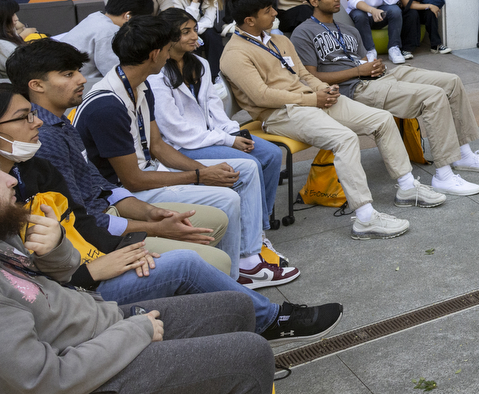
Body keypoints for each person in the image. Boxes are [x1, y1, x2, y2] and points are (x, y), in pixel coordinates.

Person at [0, 84, 342, 345]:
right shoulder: (91, 114)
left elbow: (84, 218)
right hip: (74, 292)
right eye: (24, 117)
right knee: (185, 262)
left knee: (220, 207)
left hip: (88, 263)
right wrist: (97, 267)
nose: (35, 123)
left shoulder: (34, 166)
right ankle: (269, 320)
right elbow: (28, 287)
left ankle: (238, 305)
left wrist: (131, 244)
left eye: (32, 114)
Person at [0, 164, 280, 394]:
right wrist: (135, 331)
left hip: (101, 321)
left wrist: (56, 248)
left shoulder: (7, 229)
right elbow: (41, 380)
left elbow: (58, 278)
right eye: (24, 117)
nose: (11, 179)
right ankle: (273, 322)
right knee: (251, 355)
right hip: (89, 369)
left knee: (235, 308)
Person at [72, 17, 285, 286]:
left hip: (147, 174)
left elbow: (158, 146)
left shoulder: (140, 84)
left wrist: (206, 171)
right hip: (122, 194)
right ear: (155, 54)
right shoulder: (108, 105)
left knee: (243, 168)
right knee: (227, 199)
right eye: (168, 45)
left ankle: (248, 257)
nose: (171, 50)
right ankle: (235, 276)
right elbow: (133, 180)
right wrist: (198, 176)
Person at [221, 0, 445, 241]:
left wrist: (322, 89)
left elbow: (304, 75)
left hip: (312, 100)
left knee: (381, 119)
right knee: (345, 138)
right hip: (281, 113)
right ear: (249, 21)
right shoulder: (234, 54)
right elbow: (261, 96)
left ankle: (406, 188)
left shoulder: (279, 40)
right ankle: (365, 218)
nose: (275, 13)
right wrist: (310, 98)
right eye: (267, 11)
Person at [12, 39, 235, 274]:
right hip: (96, 236)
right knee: (217, 260)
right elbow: (81, 220)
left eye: (78, 71)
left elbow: (100, 184)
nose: (82, 79)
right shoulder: (45, 137)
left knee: (217, 218)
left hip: (111, 212)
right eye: (68, 74)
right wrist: (155, 228)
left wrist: (150, 213)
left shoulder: (61, 122)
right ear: (36, 85)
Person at [293, 0, 479, 197]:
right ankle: (444, 175)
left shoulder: (348, 29)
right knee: (433, 96)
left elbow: (362, 61)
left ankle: (464, 154)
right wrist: (358, 71)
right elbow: (310, 77)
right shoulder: (303, 32)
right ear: (313, 1)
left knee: (451, 82)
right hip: (356, 89)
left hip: (383, 77)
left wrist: (373, 66)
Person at [148, 10, 287, 264]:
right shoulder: (157, 75)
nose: (195, 36)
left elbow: (215, 110)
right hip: (183, 147)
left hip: (211, 137)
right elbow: (176, 130)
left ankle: (259, 227)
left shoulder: (199, 64)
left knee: (270, 153)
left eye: (193, 29)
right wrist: (227, 141)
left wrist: (233, 132)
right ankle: (248, 242)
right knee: (251, 164)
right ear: (168, 37)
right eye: (186, 31)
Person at [54, 0, 153, 86]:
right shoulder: (109, 32)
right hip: (78, 86)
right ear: (128, 16)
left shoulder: (96, 16)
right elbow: (119, 75)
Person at [170, 0, 225, 78]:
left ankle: (217, 77)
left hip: (201, 30)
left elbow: (209, 21)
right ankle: (196, 78)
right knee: (192, 41)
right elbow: (183, 23)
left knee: (212, 35)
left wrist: (194, 31)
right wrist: (194, 2)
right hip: (182, 31)